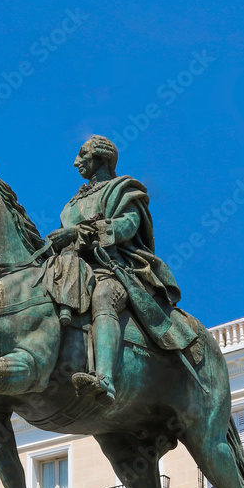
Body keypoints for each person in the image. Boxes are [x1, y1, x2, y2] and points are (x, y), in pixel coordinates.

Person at [47, 135, 197, 403]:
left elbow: (127, 226)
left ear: (102, 157)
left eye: (83, 155)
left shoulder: (123, 190)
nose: (75, 162)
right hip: (72, 269)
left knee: (103, 296)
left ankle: (104, 379)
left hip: (113, 268)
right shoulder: (70, 205)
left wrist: (80, 233)